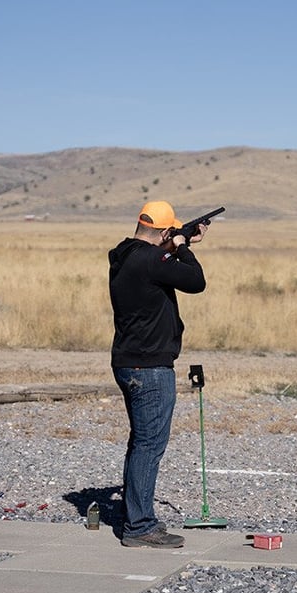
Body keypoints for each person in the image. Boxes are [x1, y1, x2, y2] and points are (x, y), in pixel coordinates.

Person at [108, 200, 208, 548]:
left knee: (140, 443)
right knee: (150, 445)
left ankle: (135, 515)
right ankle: (140, 527)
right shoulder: (152, 260)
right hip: (150, 367)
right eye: (171, 233)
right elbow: (196, 282)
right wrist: (183, 249)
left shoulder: (122, 256)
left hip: (127, 361)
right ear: (165, 232)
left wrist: (177, 245)